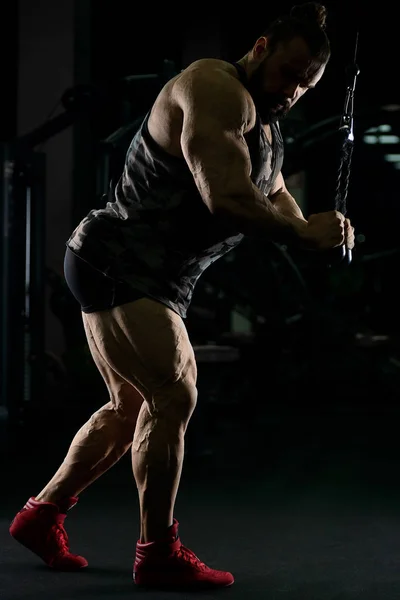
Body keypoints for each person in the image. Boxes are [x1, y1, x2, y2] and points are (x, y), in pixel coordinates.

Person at [9, 1, 355, 591]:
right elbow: (226, 197)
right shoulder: (214, 88)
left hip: (149, 274)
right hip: (120, 260)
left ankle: (40, 517)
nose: (293, 92)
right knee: (173, 394)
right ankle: (158, 551)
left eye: (306, 85)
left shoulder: (266, 120)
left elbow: (270, 194)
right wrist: (302, 234)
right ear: (262, 47)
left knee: (128, 410)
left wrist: (314, 233)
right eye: (288, 73)